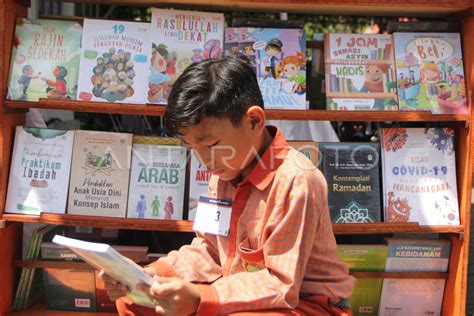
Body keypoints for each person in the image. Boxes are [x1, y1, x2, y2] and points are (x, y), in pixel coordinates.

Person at [100, 57, 354, 315]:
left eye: (210, 145)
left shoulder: (297, 180)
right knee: (135, 301)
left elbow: (281, 285)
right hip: (239, 290)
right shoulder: (222, 172)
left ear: (254, 121)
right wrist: (151, 275)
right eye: (192, 148)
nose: (204, 160)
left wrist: (201, 297)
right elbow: (209, 250)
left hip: (306, 305)